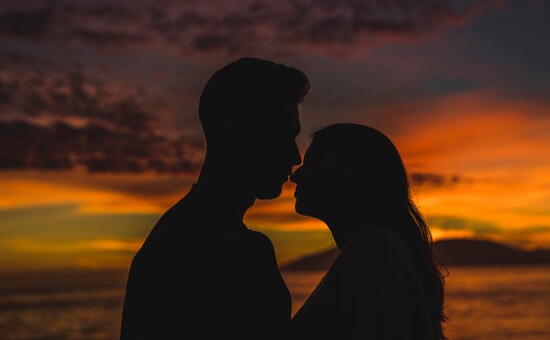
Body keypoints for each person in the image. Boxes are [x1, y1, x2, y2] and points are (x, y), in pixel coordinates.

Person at [120, 57, 310, 340]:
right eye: (283, 135)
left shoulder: (194, 237)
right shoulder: (188, 249)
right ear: (235, 132)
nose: (295, 157)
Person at [289, 123, 447, 340]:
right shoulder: (384, 248)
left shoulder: (373, 251)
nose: (296, 176)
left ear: (351, 173)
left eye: (313, 164)